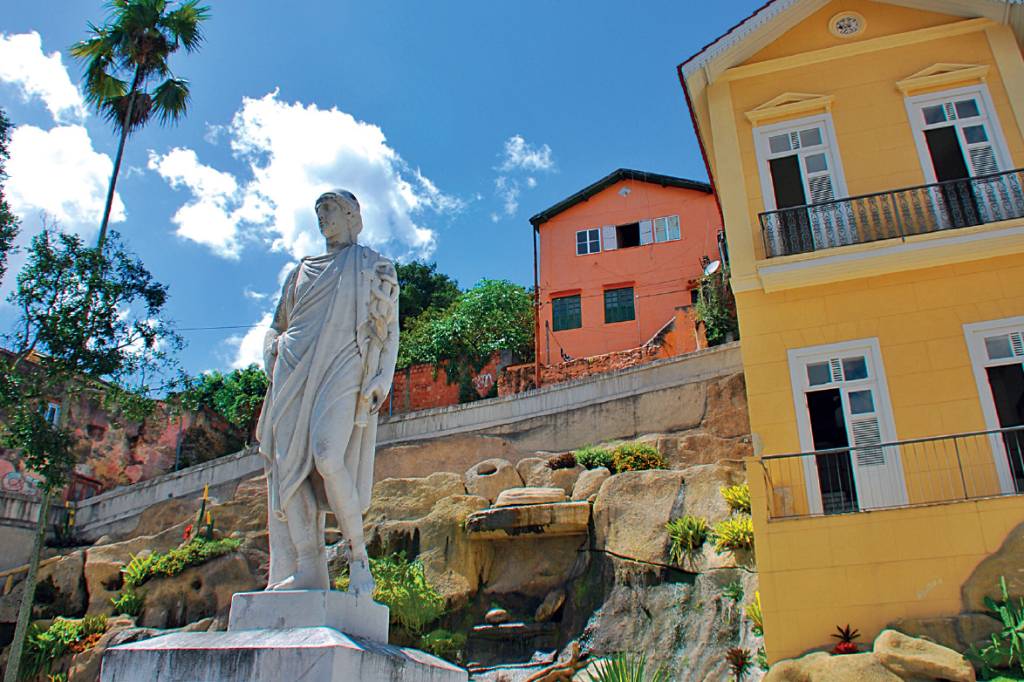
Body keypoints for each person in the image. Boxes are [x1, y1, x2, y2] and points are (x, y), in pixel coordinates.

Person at [256, 189, 399, 596]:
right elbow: (277, 324)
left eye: (330, 210)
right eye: (318, 212)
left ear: (353, 215)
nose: (323, 218)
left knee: (326, 455)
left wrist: (382, 379)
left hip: (344, 366)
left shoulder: (375, 266)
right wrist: (269, 346)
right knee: (288, 471)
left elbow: (389, 333)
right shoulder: (300, 271)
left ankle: (358, 558)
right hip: (292, 371)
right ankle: (307, 568)